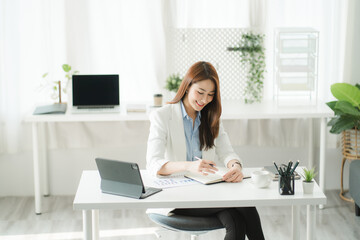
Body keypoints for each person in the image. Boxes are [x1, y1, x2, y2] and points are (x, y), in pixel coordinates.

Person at [146, 61, 265, 240]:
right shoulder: (162, 116)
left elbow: (227, 152)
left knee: (236, 219)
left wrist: (236, 166)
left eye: (210, 95)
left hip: (207, 190)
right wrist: (190, 166)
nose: (204, 100)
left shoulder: (211, 117)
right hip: (176, 196)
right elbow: (153, 163)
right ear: (187, 87)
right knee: (243, 209)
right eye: (200, 92)